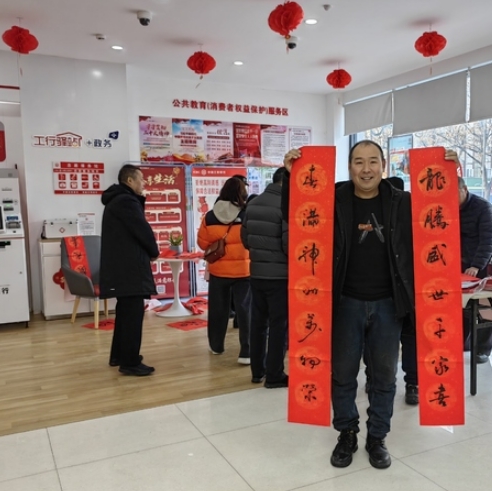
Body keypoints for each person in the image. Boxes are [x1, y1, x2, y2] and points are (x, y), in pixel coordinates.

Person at [283, 142, 459, 470]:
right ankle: (347, 432)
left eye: (373, 162)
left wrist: (449, 172)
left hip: (389, 305)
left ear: (383, 166)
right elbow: (293, 217)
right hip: (344, 303)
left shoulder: (403, 202)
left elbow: (442, 218)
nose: (366, 169)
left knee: (385, 377)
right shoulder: (332, 200)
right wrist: (291, 176)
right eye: (359, 162)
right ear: (349, 166)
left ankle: (377, 436)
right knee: (343, 375)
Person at [100, 164, 159, 377]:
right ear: (130, 181)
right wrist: (154, 251)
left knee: (125, 314)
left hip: (121, 268)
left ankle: (119, 355)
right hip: (130, 268)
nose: (144, 183)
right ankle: (130, 362)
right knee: (132, 316)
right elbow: (142, 230)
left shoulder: (116, 200)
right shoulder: (126, 201)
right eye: (141, 179)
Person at [364, 176, 418, 406]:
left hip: (405, 290)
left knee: (404, 338)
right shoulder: (377, 216)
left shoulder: (409, 214)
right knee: (377, 338)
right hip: (388, 292)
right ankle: (401, 382)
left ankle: (409, 382)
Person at [241, 167, 289, 388]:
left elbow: (245, 239)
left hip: (256, 274)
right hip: (280, 277)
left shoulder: (252, 204)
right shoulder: (285, 206)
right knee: (279, 325)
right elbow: (288, 245)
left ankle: (257, 371)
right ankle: (274, 374)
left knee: (258, 323)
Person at [197, 177, 251, 364]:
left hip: (218, 270)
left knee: (218, 309)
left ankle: (216, 346)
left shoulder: (210, 216)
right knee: (245, 310)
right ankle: (246, 352)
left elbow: (202, 243)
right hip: (244, 271)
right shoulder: (246, 214)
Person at [458, 177, 492, 364]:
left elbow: (489, 240)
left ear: (465, 189)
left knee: (487, 306)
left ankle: (483, 350)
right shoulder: (448, 208)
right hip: (463, 262)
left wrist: (477, 265)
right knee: (464, 305)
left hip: (488, 260)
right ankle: (465, 343)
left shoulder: (483, 208)